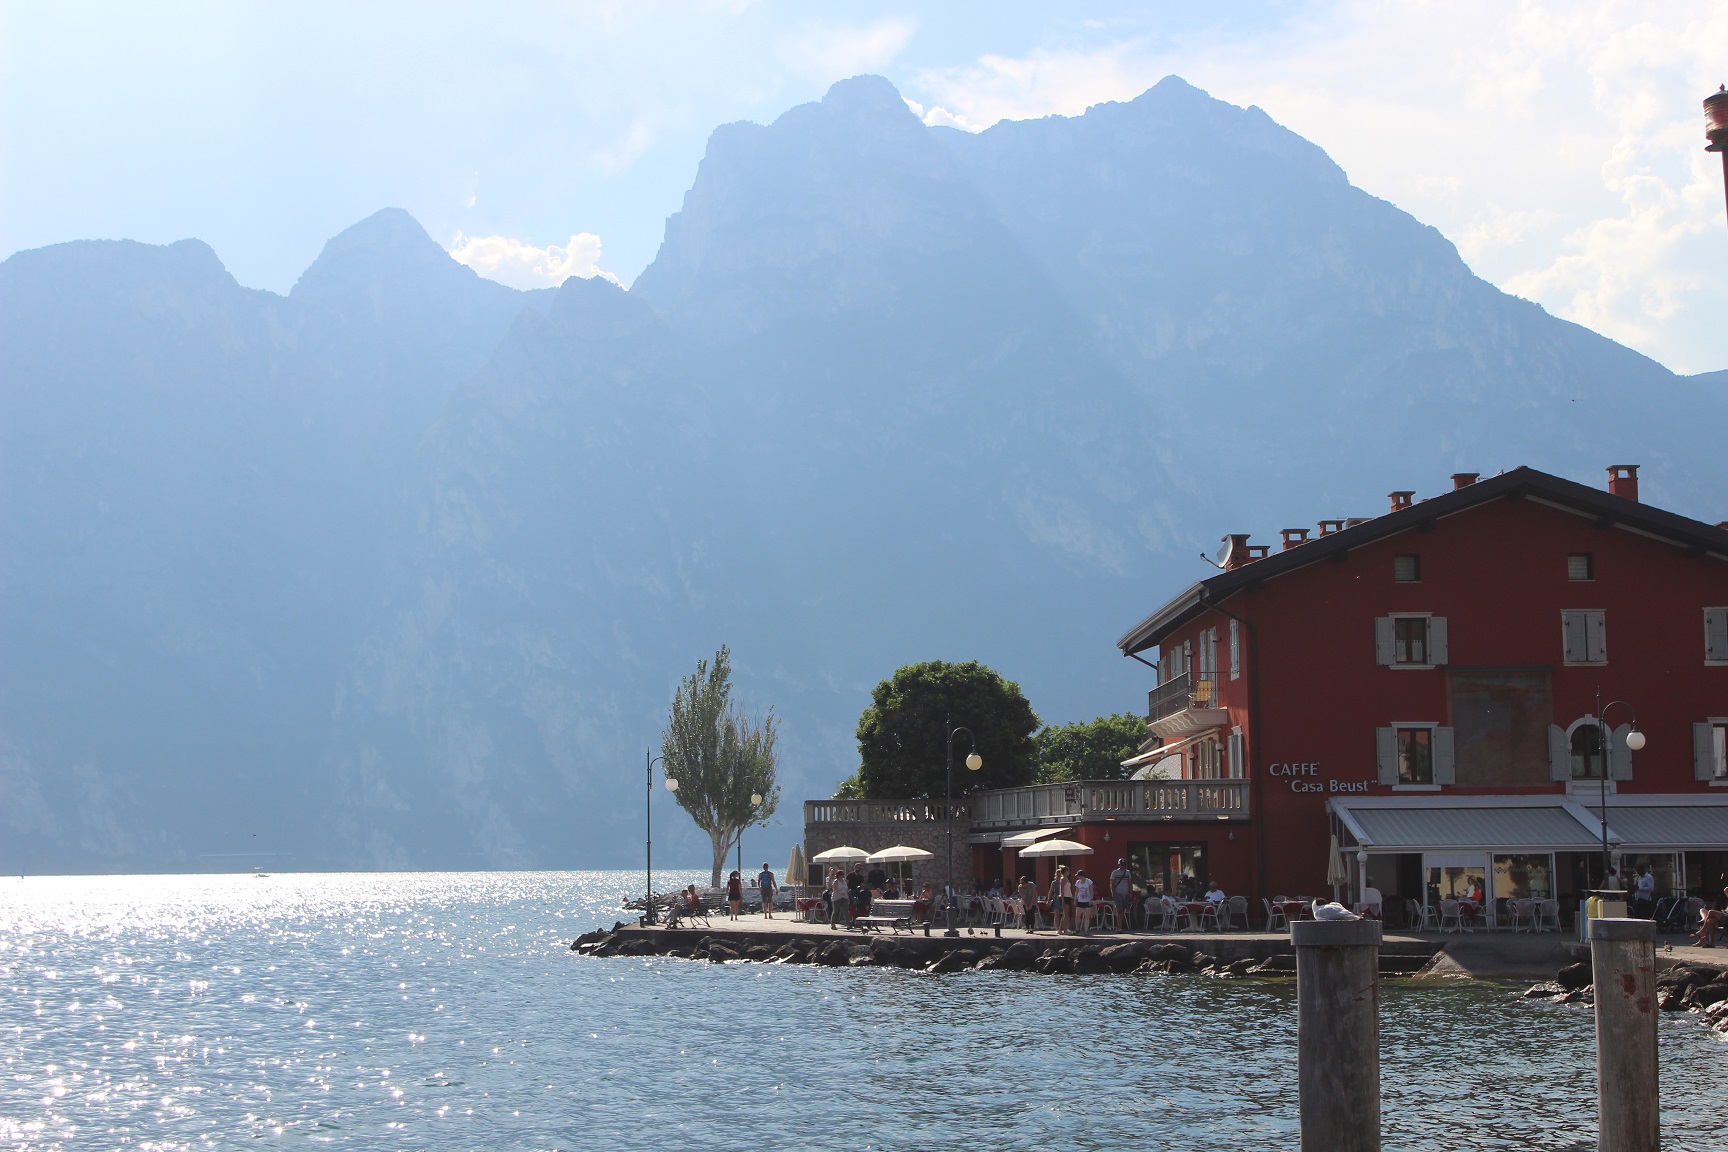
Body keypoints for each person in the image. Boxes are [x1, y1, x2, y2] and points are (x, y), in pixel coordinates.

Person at [1691, 880, 1728, 947]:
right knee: (1708, 918)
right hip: (1723, 915)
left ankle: (1702, 931)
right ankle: (1711, 943)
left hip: (1726, 918)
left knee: (1711, 912)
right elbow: (1726, 889)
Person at [1110, 858, 1136, 932]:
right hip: (1118, 892)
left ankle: (1120, 926)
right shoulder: (1115, 872)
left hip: (1126, 893)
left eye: (1124, 865)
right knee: (1119, 909)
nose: (1123, 867)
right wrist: (1113, 893)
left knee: (1123, 910)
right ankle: (1118, 927)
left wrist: (1130, 892)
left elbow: (1130, 882)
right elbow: (1112, 883)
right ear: (1119, 865)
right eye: (1121, 865)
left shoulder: (1127, 872)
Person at [1074, 869, 1095, 935]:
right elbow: (1076, 891)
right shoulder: (1078, 882)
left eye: (1079, 876)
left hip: (1087, 900)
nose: (1078, 877)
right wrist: (1075, 899)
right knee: (1077, 916)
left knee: (1087, 916)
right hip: (1080, 900)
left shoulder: (1089, 882)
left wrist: (1091, 899)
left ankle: (1086, 930)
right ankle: (1077, 929)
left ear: (1082, 876)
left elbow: (1091, 891)